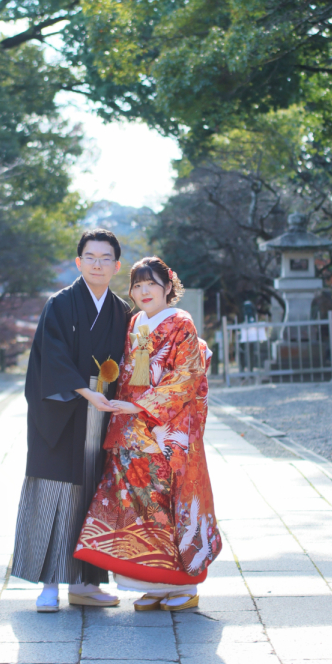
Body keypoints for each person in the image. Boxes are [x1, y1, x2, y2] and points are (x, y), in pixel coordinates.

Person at [74, 256, 222, 611]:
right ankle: (155, 582)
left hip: (164, 430)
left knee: (166, 505)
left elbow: (185, 375)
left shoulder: (180, 323)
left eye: (151, 284)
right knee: (139, 506)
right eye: (137, 285)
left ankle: (184, 585)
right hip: (129, 429)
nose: (143, 291)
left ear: (168, 287)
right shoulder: (134, 321)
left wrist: (140, 407)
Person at [12, 228, 131, 612]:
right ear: (78, 262)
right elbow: (54, 357)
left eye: (105, 258)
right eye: (90, 257)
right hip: (63, 411)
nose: (98, 264)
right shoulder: (60, 304)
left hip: (103, 413)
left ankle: (86, 584)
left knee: (94, 496)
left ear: (116, 266)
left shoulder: (121, 311)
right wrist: (85, 392)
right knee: (56, 494)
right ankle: (49, 585)